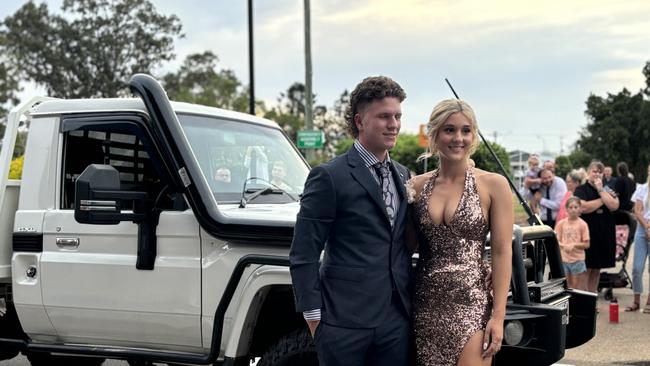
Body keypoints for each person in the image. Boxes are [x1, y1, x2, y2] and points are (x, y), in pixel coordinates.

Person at [290, 76, 412, 366]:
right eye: (384, 117)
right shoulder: (329, 176)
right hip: (342, 322)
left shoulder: (404, 175)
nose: (393, 124)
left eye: (397, 116)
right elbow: (304, 251)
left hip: (395, 320)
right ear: (360, 121)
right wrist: (313, 316)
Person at [407, 99, 512, 365]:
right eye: (449, 130)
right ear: (434, 134)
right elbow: (403, 248)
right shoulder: (416, 187)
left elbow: (501, 251)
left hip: (472, 303)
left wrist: (498, 316)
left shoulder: (493, 185)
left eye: (466, 130)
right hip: (424, 303)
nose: (458, 138)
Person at [573, 160, 619, 294]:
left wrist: (600, 190)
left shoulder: (607, 188)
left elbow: (614, 205)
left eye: (600, 172)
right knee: (586, 268)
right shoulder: (581, 189)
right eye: (594, 171)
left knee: (597, 268)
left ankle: (593, 298)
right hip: (588, 234)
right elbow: (584, 207)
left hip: (604, 233)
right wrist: (604, 199)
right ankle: (584, 298)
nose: (597, 174)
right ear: (588, 173)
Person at [626, 164, 650, 313]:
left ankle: (649, 301)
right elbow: (637, 210)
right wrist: (647, 227)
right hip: (642, 228)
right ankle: (636, 300)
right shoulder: (642, 188)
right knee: (636, 268)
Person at [555, 197, 590, 291]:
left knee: (577, 286)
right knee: (566, 285)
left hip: (577, 259)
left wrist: (574, 245)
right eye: (570, 207)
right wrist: (564, 246)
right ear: (566, 209)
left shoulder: (583, 224)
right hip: (564, 259)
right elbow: (556, 241)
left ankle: (577, 304)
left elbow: (586, 244)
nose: (573, 209)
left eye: (576, 207)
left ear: (580, 209)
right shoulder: (561, 224)